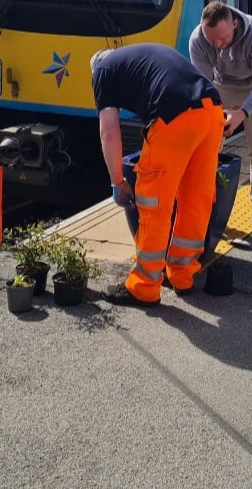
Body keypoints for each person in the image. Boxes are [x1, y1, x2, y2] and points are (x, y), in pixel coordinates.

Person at [91, 44, 226, 306]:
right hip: (212, 112)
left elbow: (108, 132)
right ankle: (182, 274)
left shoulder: (102, 71)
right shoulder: (143, 57)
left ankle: (144, 286)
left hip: (176, 116)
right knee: (195, 198)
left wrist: (117, 181)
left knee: (153, 202)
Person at [189, 1, 252, 240]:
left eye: (223, 39)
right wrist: (214, 112)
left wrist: (241, 113)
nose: (218, 47)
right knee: (207, 146)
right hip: (221, 86)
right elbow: (203, 85)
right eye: (212, 41)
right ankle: (207, 206)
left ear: (235, 24)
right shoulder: (198, 39)